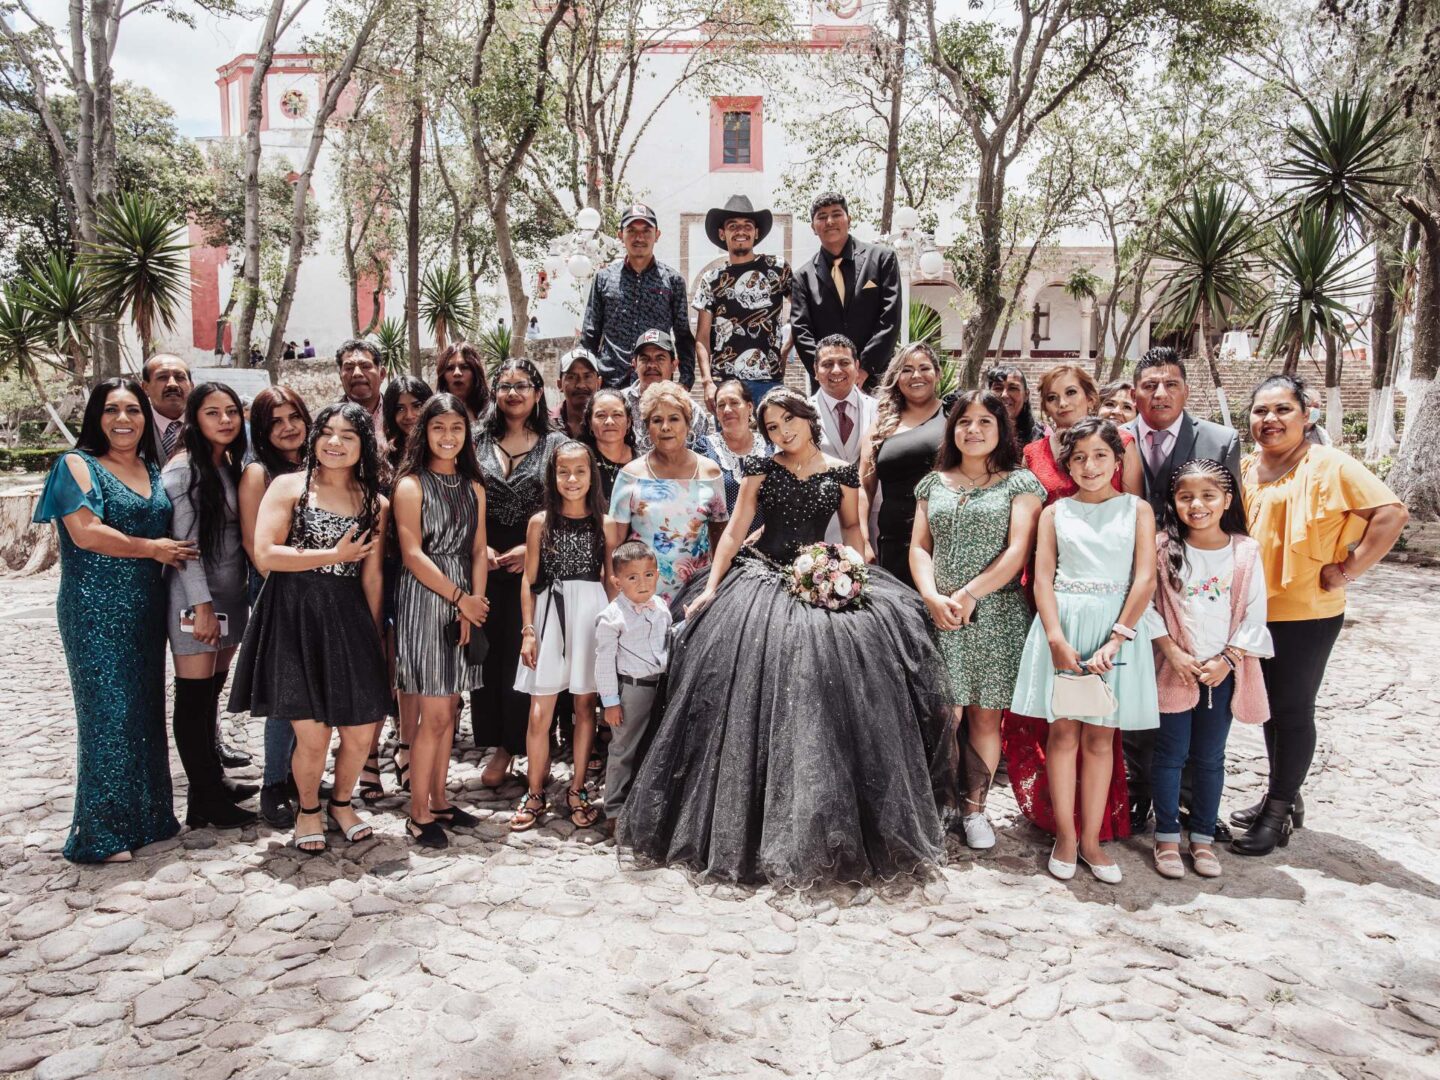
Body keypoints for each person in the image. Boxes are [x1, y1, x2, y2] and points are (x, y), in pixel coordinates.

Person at [618, 388, 952, 885]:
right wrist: (710, 588)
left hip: (821, 580)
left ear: (806, 417)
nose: (781, 433)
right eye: (771, 426)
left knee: (830, 689)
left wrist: (853, 570)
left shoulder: (841, 471)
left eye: (787, 421)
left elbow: (855, 532)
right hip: (761, 579)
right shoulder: (760, 467)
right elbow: (733, 532)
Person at [1231, 374, 1406, 854]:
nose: (1270, 420)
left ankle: (1278, 812)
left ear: (1306, 415)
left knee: (1291, 709)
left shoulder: (1329, 464)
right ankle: (1283, 797)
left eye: (1283, 409)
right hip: (1253, 612)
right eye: (1261, 411)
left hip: (1306, 613)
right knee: (1270, 711)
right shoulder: (1246, 468)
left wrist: (1350, 569)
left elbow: (1391, 514)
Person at [34, 380, 196, 862]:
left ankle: (148, 817)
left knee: (145, 710)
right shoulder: (75, 465)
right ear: (95, 417)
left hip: (147, 607)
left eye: (132, 410)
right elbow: (86, 534)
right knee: (108, 714)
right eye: (111, 410)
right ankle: (101, 833)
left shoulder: (148, 465)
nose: (123, 419)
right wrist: (153, 549)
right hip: (94, 608)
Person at [228, 403, 391, 854]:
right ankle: (307, 809)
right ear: (315, 437)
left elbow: (373, 575)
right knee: (313, 733)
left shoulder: (376, 501)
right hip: (294, 614)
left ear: (364, 447)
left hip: (350, 617)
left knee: (361, 730)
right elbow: (266, 555)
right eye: (328, 433)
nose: (335, 443)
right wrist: (332, 556)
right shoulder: (287, 486)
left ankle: (341, 802)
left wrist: (372, 633)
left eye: (348, 436)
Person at [1011, 418, 1159, 884]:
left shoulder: (1137, 510)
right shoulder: (1056, 513)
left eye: (1100, 456)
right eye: (1079, 457)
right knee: (1062, 735)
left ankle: (1093, 839)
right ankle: (1066, 837)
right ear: (1066, 464)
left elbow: (1145, 579)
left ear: (1117, 460)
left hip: (1118, 630)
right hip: (1065, 629)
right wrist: (1055, 638)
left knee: (1101, 739)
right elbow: (1043, 578)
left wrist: (1117, 638)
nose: (1089, 466)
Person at [910, 391, 1045, 851]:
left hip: (995, 614)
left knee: (985, 719)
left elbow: (1017, 550)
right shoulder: (934, 483)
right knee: (943, 716)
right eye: (964, 421)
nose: (973, 430)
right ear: (952, 429)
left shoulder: (1020, 484)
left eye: (985, 421)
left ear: (1001, 429)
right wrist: (931, 595)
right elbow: (919, 547)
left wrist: (970, 593)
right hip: (940, 614)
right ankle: (935, 806)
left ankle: (974, 810)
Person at [1120, 347, 1241, 831]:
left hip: (1196, 586)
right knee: (1136, 690)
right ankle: (1137, 792)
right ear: (1134, 393)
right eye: (1150, 385)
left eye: (1170, 383)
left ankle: (1194, 806)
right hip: (1130, 580)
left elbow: (1233, 518)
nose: (1160, 393)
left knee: (1193, 694)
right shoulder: (1119, 437)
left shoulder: (1218, 438)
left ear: (1186, 390)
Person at [1150, 459, 1272, 880]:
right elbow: (1148, 607)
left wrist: (1227, 660)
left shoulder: (1244, 552)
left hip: (1220, 674)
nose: (1196, 505)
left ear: (1227, 500)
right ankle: (1166, 834)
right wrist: (1173, 652)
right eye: (1185, 497)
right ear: (1173, 502)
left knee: (1209, 757)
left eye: (1207, 496)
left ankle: (1201, 835)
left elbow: (1255, 615)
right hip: (1174, 669)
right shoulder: (1163, 548)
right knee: (1169, 754)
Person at [393, 394, 489, 848]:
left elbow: (477, 550)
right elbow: (412, 554)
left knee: (449, 710)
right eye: (438, 428)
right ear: (424, 432)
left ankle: (438, 799)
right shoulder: (411, 485)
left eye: (456, 427)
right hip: (427, 597)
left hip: (464, 598)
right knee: (431, 713)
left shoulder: (473, 486)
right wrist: (458, 598)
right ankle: (416, 814)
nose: (448, 436)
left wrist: (476, 603)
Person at [162, 382, 258, 831]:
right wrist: (200, 606)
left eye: (232, 412)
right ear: (195, 420)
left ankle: (212, 782)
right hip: (196, 599)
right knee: (194, 697)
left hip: (228, 598)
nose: (225, 420)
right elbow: (185, 548)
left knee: (210, 694)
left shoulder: (227, 464)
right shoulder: (185, 470)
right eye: (213, 413)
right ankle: (204, 802)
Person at [471, 358, 569, 787]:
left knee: (527, 655)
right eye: (505, 385)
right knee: (488, 656)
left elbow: (571, 505)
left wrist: (531, 546)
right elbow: (459, 498)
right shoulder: (475, 441)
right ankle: (499, 744)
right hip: (482, 561)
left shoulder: (557, 445)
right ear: (494, 392)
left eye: (522, 385)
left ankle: (526, 744)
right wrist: (479, 547)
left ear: (538, 392)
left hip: (535, 562)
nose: (513, 393)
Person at [511, 441, 615, 831]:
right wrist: (529, 631)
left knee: (585, 707)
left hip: (590, 614)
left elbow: (610, 580)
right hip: (549, 617)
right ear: (552, 477)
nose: (572, 480)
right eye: (563, 472)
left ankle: (577, 788)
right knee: (540, 710)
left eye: (580, 472)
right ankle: (535, 790)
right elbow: (529, 579)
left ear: (592, 476)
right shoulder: (540, 522)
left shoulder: (604, 523)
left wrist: (612, 632)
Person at [238, 385, 312, 827]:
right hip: (278, 593)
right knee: (287, 693)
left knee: (313, 690)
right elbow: (255, 545)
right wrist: (294, 589)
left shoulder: (317, 465)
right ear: (262, 431)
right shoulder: (257, 473)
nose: (287, 428)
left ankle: (302, 773)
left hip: (319, 594)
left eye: (294, 417)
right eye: (275, 422)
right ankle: (274, 782)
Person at [607, 382, 729, 605]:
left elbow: (721, 540)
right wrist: (613, 604)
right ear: (647, 427)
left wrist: (717, 590)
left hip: (697, 594)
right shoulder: (630, 475)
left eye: (674, 418)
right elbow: (613, 548)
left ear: (687, 424)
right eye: (656, 420)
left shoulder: (710, 472)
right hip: (641, 597)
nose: (665, 427)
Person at [373, 375, 434, 800]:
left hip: (432, 574)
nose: (409, 415)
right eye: (400, 407)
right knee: (381, 665)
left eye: (416, 405)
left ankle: (408, 747)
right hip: (389, 569)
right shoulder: (380, 461)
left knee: (412, 669)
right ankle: (366, 759)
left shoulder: (444, 455)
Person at [580, 202, 697, 388]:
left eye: (646, 231)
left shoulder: (673, 281)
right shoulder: (604, 279)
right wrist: (587, 379)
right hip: (610, 382)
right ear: (620, 235)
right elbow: (590, 334)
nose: (639, 237)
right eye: (632, 231)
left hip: (655, 382)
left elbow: (683, 337)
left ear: (657, 235)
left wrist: (685, 382)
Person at [693, 194, 793, 410]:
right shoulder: (711, 279)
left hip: (769, 381)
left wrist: (785, 351)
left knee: (771, 442)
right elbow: (702, 337)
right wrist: (707, 382)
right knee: (730, 443)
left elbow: (803, 312)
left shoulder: (777, 268)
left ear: (756, 232)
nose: (741, 231)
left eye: (747, 225)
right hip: (727, 384)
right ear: (723, 233)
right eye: (733, 226)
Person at [789, 192, 901, 385]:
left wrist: (864, 369)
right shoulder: (803, 277)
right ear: (813, 227)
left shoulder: (882, 259)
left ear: (849, 219)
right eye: (822, 217)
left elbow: (889, 319)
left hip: (876, 378)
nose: (830, 221)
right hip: (827, 383)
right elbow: (801, 331)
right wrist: (827, 373)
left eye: (836, 214)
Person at [594, 541, 669, 824]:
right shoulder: (612, 618)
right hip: (632, 691)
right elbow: (603, 662)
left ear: (657, 575)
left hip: (658, 687)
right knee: (624, 748)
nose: (642, 583)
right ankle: (614, 808)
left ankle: (642, 805)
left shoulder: (660, 607)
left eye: (648, 575)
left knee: (650, 746)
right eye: (632, 577)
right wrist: (610, 703)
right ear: (617, 581)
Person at [860, 343, 947, 587]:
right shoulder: (881, 425)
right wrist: (864, 540)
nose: (916, 375)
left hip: (943, 538)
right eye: (907, 369)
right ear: (896, 377)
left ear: (937, 374)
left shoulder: (953, 416)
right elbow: (864, 487)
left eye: (924, 368)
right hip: (894, 540)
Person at [810, 334, 878, 543]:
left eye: (844, 362)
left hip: (875, 520)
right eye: (828, 364)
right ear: (815, 371)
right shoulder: (801, 414)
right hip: (823, 527)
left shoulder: (880, 410)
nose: (836, 370)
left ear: (857, 366)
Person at [622, 329, 715, 452]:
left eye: (660, 358)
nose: (652, 365)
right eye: (645, 359)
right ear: (634, 364)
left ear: (674, 365)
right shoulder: (620, 403)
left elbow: (703, 457)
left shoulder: (692, 411)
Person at [699, 378, 770, 535]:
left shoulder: (769, 447)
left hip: (765, 545)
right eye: (721, 405)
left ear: (750, 407)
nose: (727, 410)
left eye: (734, 402)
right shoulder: (705, 448)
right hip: (719, 545)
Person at [580, 387, 636, 503]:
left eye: (617, 415)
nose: (609, 421)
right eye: (601, 415)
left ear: (629, 422)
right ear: (590, 423)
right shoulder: (580, 460)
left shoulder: (642, 462)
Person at [141, 353, 193, 466]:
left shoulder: (206, 424)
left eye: (180, 377)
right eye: (162, 377)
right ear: (145, 388)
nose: (172, 384)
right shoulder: (135, 426)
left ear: (192, 386)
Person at [337, 339, 386, 447]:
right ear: (340, 376)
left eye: (365, 366)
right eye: (349, 368)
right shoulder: (328, 420)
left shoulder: (401, 415)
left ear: (381, 374)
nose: (357, 374)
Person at [551, 348, 601, 439]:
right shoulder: (547, 424)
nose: (581, 385)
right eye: (572, 377)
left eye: (587, 376)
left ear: (599, 383)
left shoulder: (609, 424)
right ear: (559, 384)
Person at [435, 341, 491, 421]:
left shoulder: (492, 413)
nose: (457, 373)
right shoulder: (433, 413)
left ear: (475, 373)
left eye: (464, 367)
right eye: (450, 368)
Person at [986, 365, 1039, 448]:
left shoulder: (1041, 436)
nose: (1004, 395)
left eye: (1013, 388)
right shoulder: (979, 433)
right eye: (998, 388)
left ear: (1026, 395)